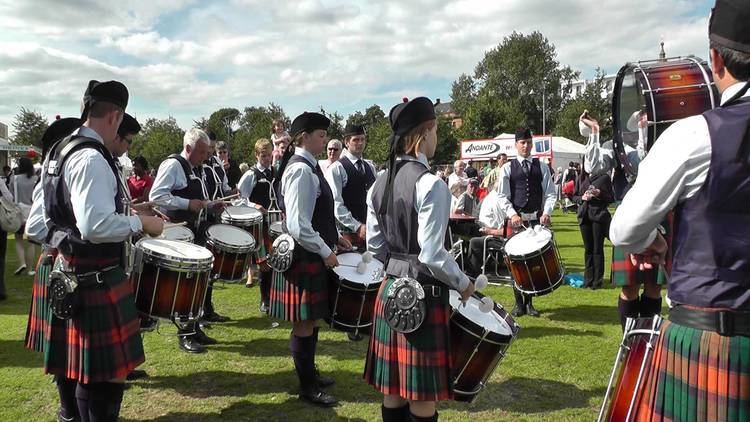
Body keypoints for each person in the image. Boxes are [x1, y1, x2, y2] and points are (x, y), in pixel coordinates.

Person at [610, 1, 750, 418]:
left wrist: (655, 241)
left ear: (715, 59)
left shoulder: (692, 136)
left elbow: (625, 231)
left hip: (714, 344)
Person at [37, 80, 163, 422]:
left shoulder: (61, 149)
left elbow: (58, 218)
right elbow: (94, 226)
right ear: (116, 116)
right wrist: (142, 224)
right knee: (103, 380)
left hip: (73, 272)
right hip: (93, 277)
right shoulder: (90, 158)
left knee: (82, 372)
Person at [364, 97, 474, 422]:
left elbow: (375, 246)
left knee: (394, 392)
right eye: (436, 131)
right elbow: (433, 255)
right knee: (422, 398)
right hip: (423, 295)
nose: (437, 138)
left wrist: (397, 267)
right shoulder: (431, 184)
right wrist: (464, 284)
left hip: (390, 288)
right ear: (424, 134)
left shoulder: (378, 182)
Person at [270, 111, 352, 407]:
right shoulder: (301, 170)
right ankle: (307, 387)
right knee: (304, 323)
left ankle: (311, 375)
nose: (325, 140)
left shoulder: (309, 166)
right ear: (304, 137)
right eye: (320, 135)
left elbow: (316, 216)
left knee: (312, 320)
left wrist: (334, 237)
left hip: (312, 251)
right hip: (305, 254)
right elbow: (298, 224)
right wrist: (325, 250)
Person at [579, 113, 666, 329]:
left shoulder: (661, 140)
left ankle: (647, 339)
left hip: (659, 214)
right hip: (629, 215)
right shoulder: (614, 145)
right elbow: (593, 167)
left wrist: (644, 134)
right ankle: (630, 340)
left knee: (655, 285)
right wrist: (595, 133)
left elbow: (651, 167)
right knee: (629, 286)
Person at [150, 128, 224, 353]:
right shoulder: (173, 165)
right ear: (188, 148)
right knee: (186, 284)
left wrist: (211, 205)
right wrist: (187, 204)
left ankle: (194, 328)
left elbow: (197, 201)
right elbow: (156, 196)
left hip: (195, 229)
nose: (205, 157)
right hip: (179, 233)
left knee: (198, 282)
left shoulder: (196, 168)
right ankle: (185, 334)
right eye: (201, 152)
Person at [497, 127, 556, 317]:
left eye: (529, 142)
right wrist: (512, 214)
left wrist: (547, 212)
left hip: (535, 222)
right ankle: (518, 304)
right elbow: (502, 196)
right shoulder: (507, 168)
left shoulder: (542, 166)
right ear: (516, 145)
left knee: (532, 263)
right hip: (516, 221)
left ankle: (529, 304)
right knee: (515, 263)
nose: (526, 146)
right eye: (522, 142)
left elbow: (550, 193)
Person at [237, 138, 275, 310]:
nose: (267, 159)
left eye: (269, 155)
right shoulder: (251, 175)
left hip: (276, 223)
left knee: (277, 261)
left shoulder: (275, 172)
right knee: (265, 263)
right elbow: (239, 199)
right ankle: (264, 300)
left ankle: (274, 298)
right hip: (260, 224)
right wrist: (254, 205)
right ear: (256, 155)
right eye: (263, 156)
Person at [325, 125, 376, 250]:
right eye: (356, 140)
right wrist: (357, 226)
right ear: (347, 142)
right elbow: (336, 204)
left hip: (370, 233)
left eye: (363, 139)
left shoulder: (370, 168)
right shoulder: (336, 169)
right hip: (346, 235)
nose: (360, 143)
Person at [570, 161, 613, 289]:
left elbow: (611, 198)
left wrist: (599, 194)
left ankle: (597, 281)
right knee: (588, 249)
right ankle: (588, 279)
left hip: (598, 215)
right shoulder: (581, 176)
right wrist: (582, 198)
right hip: (584, 216)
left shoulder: (604, 177)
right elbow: (574, 196)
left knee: (597, 249)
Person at [466, 180, 508, 277]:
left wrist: (489, 231)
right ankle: (476, 271)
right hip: (490, 232)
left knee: (474, 242)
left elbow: (505, 231)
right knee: (474, 239)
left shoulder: (494, 200)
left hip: (497, 237)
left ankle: (473, 274)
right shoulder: (495, 199)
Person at [10, 157, 39, 276]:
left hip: (19, 212)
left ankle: (22, 263)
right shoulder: (36, 179)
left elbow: (11, 195)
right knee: (31, 242)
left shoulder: (15, 179)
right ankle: (30, 269)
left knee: (18, 239)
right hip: (32, 212)